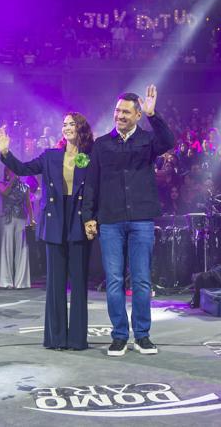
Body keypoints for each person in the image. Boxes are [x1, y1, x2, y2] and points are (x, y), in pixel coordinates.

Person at [82, 87, 175, 357]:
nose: (120, 115)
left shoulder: (148, 140)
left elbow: (168, 141)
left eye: (125, 112)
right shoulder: (102, 144)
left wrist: (153, 115)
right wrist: (88, 216)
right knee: (114, 281)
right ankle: (119, 336)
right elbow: (91, 183)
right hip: (110, 220)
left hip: (141, 219)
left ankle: (142, 336)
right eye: (117, 111)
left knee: (142, 281)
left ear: (137, 115)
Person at [0, 112, 96, 350]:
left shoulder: (89, 157)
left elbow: (95, 188)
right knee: (55, 284)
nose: (67, 127)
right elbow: (23, 168)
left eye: (72, 124)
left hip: (78, 220)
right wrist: (5, 152)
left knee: (79, 284)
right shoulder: (51, 156)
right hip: (54, 222)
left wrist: (93, 218)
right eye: (64, 124)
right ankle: (56, 338)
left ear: (81, 128)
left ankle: (77, 340)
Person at [0, 166, 33, 289]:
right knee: (7, 248)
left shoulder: (25, 186)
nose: (15, 172)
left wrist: (32, 219)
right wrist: (12, 180)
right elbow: (5, 192)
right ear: (7, 172)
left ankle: (21, 281)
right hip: (8, 218)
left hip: (21, 217)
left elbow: (28, 203)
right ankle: (6, 281)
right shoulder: (1, 184)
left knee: (22, 248)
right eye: (12, 170)